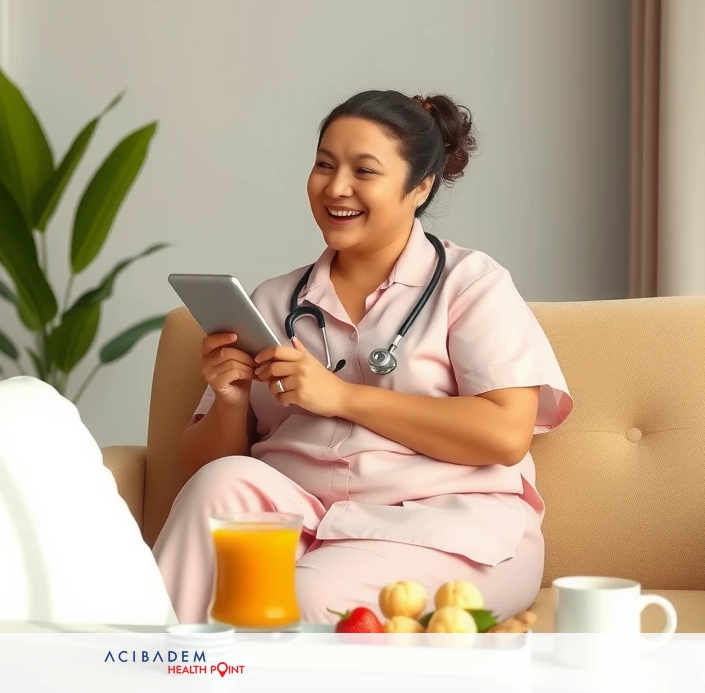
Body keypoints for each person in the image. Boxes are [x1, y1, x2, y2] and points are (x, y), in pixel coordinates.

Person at [152, 89, 573, 626]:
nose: (336, 187)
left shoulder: (471, 285)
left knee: (303, 597)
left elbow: (506, 434)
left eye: (364, 171)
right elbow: (203, 465)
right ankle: (161, 661)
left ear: (420, 187)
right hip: (304, 517)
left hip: (440, 526)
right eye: (324, 165)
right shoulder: (275, 300)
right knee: (222, 483)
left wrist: (342, 398)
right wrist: (231, 401)